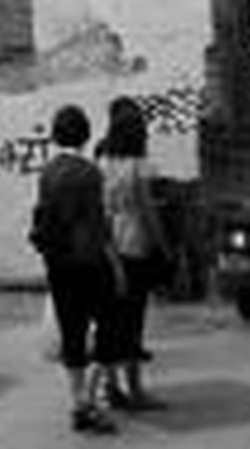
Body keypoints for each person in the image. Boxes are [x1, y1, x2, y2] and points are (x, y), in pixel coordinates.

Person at [30, 104, 123, 435]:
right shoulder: (89, 173)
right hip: (89, 262)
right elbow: (100, 227)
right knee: (109, 328)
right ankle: (89, 400)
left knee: (72, 333)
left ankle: (77, 401)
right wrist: (116, 265)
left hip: (58, 263)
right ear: (85, 134)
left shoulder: (47, 171)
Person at [96, 96, 172, 411]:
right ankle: (136, 390)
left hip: (107, 246)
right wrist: (164, 245)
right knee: (133, 320)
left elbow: (100, 211)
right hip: (134, 245)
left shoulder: (102, 165)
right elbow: (147, 213)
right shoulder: (138, 168)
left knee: (110, 319)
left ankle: (111, 386)